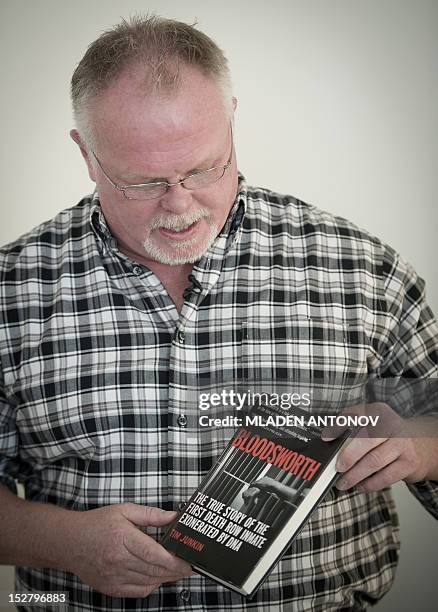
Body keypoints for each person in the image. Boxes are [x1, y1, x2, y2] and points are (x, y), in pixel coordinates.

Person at [0, 14, 437, 612]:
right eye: (143, 180)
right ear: (86, 153)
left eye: (204, 168)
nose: (180, 204)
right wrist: (63, 542)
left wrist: (423, 448)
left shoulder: (362, 269)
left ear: (231, 120)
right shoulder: (11, 289)